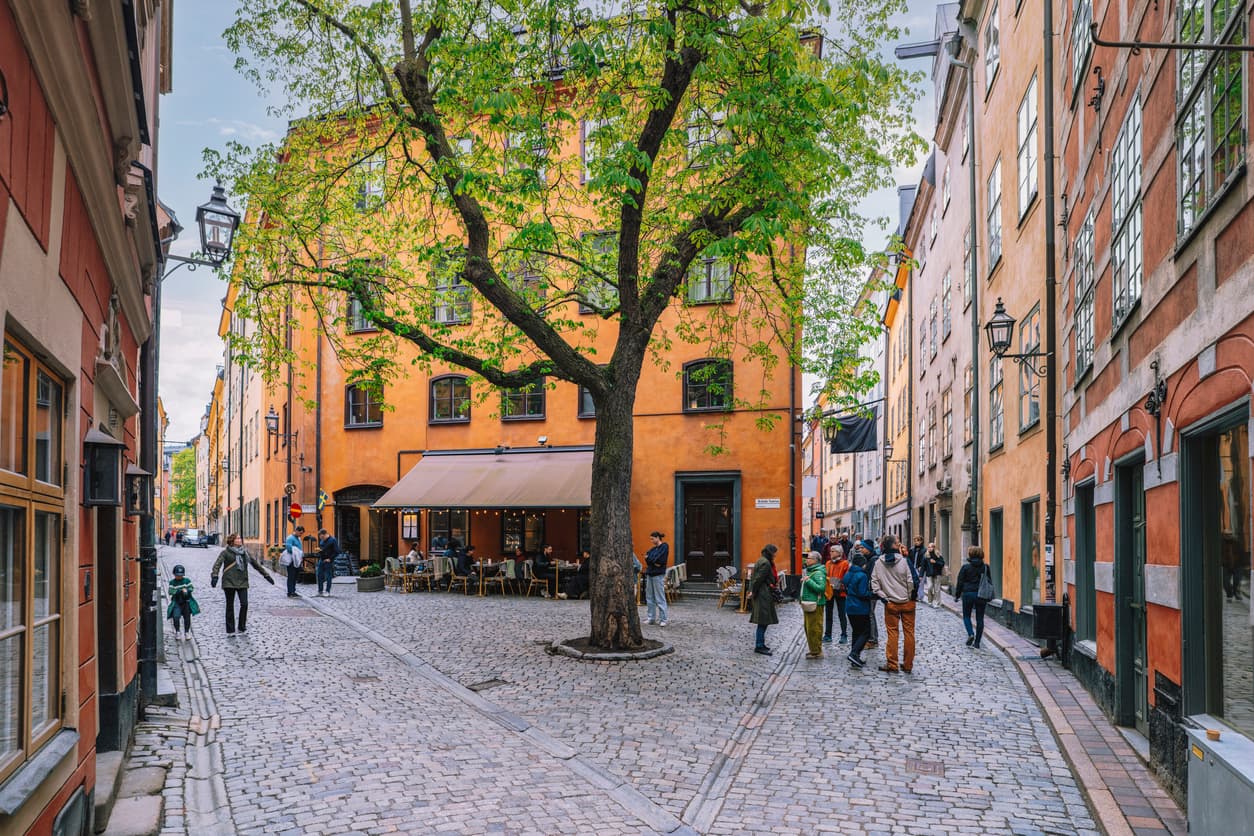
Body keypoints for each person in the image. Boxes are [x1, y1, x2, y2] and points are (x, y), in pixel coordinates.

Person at [210, 534, 274, 635]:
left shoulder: (245, 553)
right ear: (232, 541)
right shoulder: (225, 553)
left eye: (240, 538)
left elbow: (255, 565)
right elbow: (217, 564)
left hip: (242, 582)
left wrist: (266, 575)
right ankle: (230, 629)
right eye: (238, 538)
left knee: (244, 604)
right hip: (229, 582)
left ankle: (241, 626)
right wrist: (214, 576)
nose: (240, 540)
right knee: (230, 606)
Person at [871, 534, 917, 673]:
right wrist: (910, 597)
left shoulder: (878, 563)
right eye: (898, 543)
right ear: (895, 546)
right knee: (909, 633)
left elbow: (874, 585)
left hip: (890, 603)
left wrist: (885, 599)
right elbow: (912, 581)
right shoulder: (904, 561)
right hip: (907, 602)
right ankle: (908, 664)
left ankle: (892, 664)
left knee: (892, 634)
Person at [954, 546, 992, 648]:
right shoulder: (985, 567)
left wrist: (957, 595)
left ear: (970, 555)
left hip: (968, 594)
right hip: (981, 595)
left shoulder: (966, 567)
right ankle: (977, 642)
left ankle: (971, 633)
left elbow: (960, 582)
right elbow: (989, 582)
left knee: (966, 616)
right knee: (980, 618)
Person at [749, 544, 780, 655]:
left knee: (764, 621)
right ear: (770, 552)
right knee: (763, 621)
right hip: (763, 594)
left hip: (763, 593)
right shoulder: (766, 563)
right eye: (775, 552)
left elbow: (755, 578)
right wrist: (753, 591)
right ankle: (759, 645)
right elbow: (758, 579)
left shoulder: (761, 560)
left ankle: (761, 644)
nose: (776, 555)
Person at [843, 552, 873, 668]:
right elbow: (862, 593)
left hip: (850, 606)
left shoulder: (849, 573)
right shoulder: (862, 575)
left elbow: (844, 586)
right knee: (866, 632)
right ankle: (854, 653)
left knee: (856, 631)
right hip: (860, 607)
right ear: (862, 564)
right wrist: (872, 594)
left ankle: (855, 657)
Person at [800, 550, 827, 659]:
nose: (807, 560)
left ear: (815, 560)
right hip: (809, 603)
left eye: (809, 558)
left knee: (814, 628)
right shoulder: (811, 571)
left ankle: (816, 651)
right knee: (809, 628)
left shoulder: (819, 573)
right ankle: (813, 649)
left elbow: (821, 588)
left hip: (816, 603)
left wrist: (808, 581)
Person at [824, 544, 850, 644]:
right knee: (828, 614)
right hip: (829, 592)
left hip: (841, 592)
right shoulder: (827, 563)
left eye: (833, 551)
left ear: (839, 553)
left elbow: (846, 577)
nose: (830, 553)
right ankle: (827, 635)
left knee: (842, 614)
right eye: (830, 551)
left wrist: (839, 584)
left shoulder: (845, 563)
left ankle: (844, 635)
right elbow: (825, 576)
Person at [166, 564, 199, 641]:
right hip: (177, 602)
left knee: (187, 617)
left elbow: (191, 587)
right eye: (177, 575)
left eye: (180, 575)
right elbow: (170, 591)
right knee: (176, 616)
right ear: (174, 574)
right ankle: (177, 631)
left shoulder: (187, 581)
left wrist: (187, 590)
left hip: (186, 602)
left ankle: (187, 632)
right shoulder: (172, 582)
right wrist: (179, 591)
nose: (179, 577)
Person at [643, 531, 669, 626]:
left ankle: (663, 619)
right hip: (650, 574)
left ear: (657, 537)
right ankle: (651, 618)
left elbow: (660, 560)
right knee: (649, 597)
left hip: (658, 575)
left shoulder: (664, 547)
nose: (651, 541)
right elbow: (647, 557)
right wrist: (652, 561)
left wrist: (651, 560)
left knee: (660, 597)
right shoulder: (653, 549)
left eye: (652, 539)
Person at [859, 539, 880, 648]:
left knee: (870, 614)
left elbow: (871, 577)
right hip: (869, 590)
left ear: (869, 549)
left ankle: (872, 640)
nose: (861, 549)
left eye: (863, 548)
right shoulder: (869, 559)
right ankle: (872, 638)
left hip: (871, 591)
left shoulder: (873, 560)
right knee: (870, 614)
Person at [281, 525, 305, 597]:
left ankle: (293, 591)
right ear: (296, 531)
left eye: (302, 533)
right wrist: (297, 552)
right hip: (291, 560)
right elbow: (289, 548)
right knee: (291, 576)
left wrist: (300, 554)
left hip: (297, 560)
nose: (301, 535)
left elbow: (299, 548)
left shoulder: (298, 538)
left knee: (295, 576)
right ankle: (290, 592)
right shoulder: (290, 538)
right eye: (300, 533)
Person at [315, 528, 339, 597]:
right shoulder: (322, 541)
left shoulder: (333, 540)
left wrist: (330, 559)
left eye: (322, 537)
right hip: (321, 560)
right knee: (319, 575)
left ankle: (327, 591)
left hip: (328, 561)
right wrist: (319, 551)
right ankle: (320, 591)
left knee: (328, 576)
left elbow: (337, 551)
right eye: (320, 537)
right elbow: (322, 549)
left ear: (325, 534)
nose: (321, 539)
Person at [921, 543, 945, 607]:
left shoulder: (938, 555)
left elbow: (942, 563)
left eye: (931, 547)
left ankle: (937, 602)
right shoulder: (926, 556)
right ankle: (930, 600)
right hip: (929, 574)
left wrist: (935, 562)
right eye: (928, 547)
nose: (929, 548)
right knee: (929, 587)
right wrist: (921, 575)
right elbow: (923, 566)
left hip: (937, 574)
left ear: (934, 548)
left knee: (937, 589)